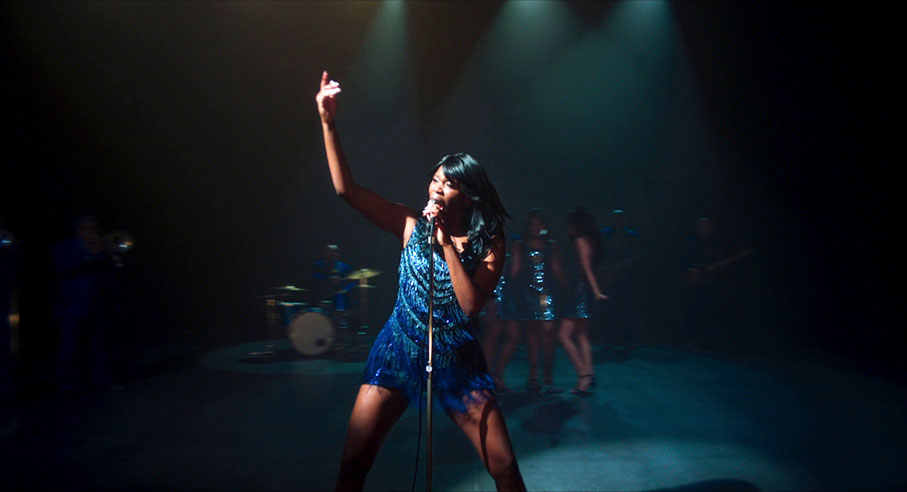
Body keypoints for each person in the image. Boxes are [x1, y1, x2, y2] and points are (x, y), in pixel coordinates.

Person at [315, 72, 525, 491]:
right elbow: (347, 191)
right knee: (352, 466)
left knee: (503, 468)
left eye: (449, 184)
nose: (436, 189)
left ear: (469, 196)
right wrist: (328, 122)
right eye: (435, 179)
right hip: (398, 349)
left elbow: (470, 307)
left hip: (457, 360)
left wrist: (446, 243)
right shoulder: (409, 225)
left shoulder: (490, 244)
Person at [52, 216, 119, 397]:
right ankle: (67, 387)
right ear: (78, 230)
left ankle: (103, 382)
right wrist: (92, 256)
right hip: (72, 304)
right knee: (70, 348)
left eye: (94, 227)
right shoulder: (65, 246)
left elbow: (110, 271)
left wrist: (105, 253)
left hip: (98, 304)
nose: (92, 231)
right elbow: (63, 268)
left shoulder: (102, 247)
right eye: (87, 228)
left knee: (99, 346)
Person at [510, 209, 565, 392]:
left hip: (547, 294)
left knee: (548, 333)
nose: (536, 228)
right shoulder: (521, 245)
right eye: (533, 225)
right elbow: (515, 272)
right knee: (532, 333)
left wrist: (567, 285)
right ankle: (534, 373)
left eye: (539, 225)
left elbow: (557, 270)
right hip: (528, 294)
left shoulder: (551, 245)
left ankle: (547, 372)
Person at [557, 207, 608, 395]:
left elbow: (586, 269)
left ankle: (583, 376)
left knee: (563, 335)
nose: (568, 228)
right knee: (581, 335)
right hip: (582, 291)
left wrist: (596, 292)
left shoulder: (580, 241)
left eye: (570, 224)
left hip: (580, 292)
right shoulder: (588, 241)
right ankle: (589, 374)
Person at [480, 252, 520, 393]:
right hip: (492, 293)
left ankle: (497, 374)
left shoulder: (514, 242)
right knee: (493, 333)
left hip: (509, 293)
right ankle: (487, 376)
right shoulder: (486, 241)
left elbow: (515, 271)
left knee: (514, 334)